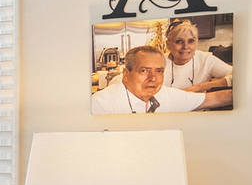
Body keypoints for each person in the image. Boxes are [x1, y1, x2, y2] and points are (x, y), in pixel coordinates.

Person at [91, 46, 233, 114]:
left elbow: (211, 99)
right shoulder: (102, 104)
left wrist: (251, 95)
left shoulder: (166, 95)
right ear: (126, 74)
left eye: (159, 71)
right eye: (144, 71)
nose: (153, 78)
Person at [161, 17, 232, 92]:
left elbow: (238, 76)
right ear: (168, 44)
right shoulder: (159, 61)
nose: (185, 46)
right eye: (179, 41)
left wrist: (200, 87)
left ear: (196, 42)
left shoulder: (205, 60)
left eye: (191, 41)